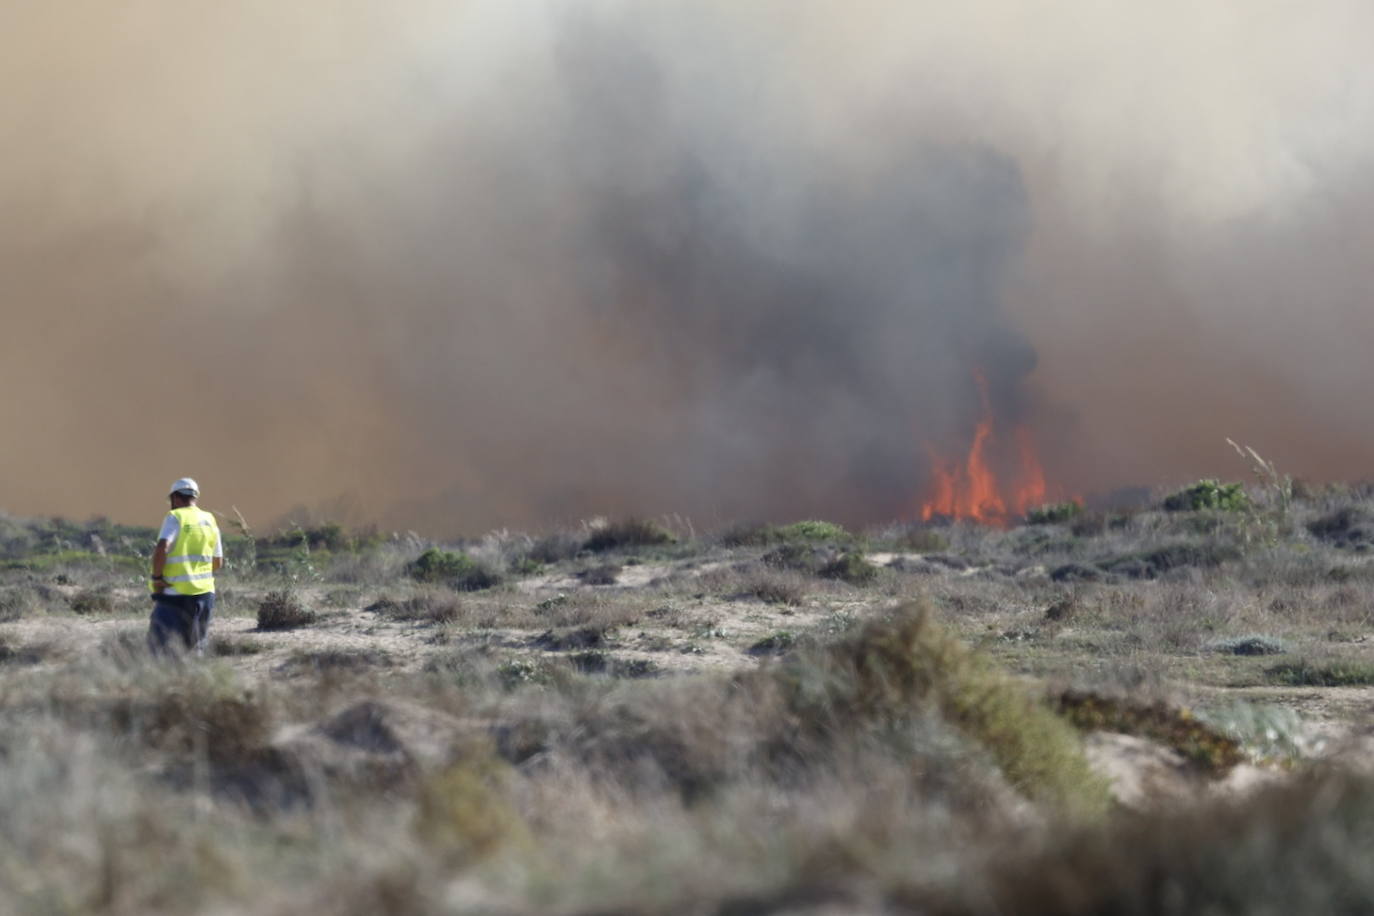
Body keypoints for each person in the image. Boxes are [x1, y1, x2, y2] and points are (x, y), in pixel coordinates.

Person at [148, 478, 223, 656]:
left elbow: (162, 548)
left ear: (175, 497)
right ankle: (195, 681)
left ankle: (162, 681)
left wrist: (157, 578)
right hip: (204, 596)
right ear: (195, 497)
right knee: (195, 648)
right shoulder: (209, 519)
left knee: (158, 647)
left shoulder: (175, 517)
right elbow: (218, 562)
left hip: (174, 595)